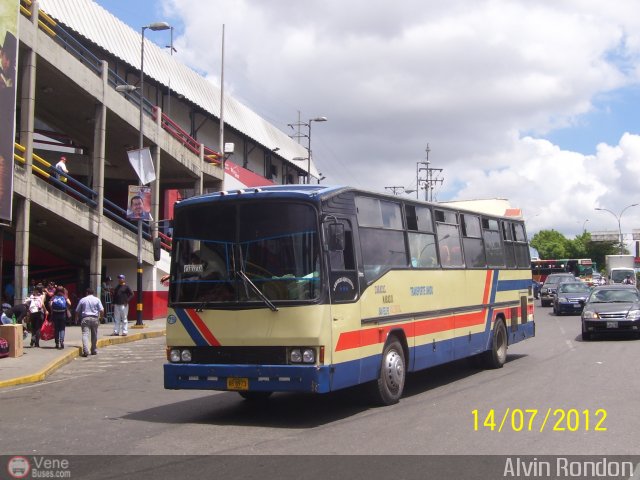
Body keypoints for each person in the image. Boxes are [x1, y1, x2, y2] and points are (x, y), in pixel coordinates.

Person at [75, 287, 104, 357]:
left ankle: (86, 351)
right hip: (95, 318)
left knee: (85, 334)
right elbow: (102, 310)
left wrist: (76, 318)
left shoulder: (83, 300)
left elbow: (77, 311)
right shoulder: (97, 299)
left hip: (85, 318)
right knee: (94, 335)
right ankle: (93, 350)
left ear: (87, 293)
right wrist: (101, 318)